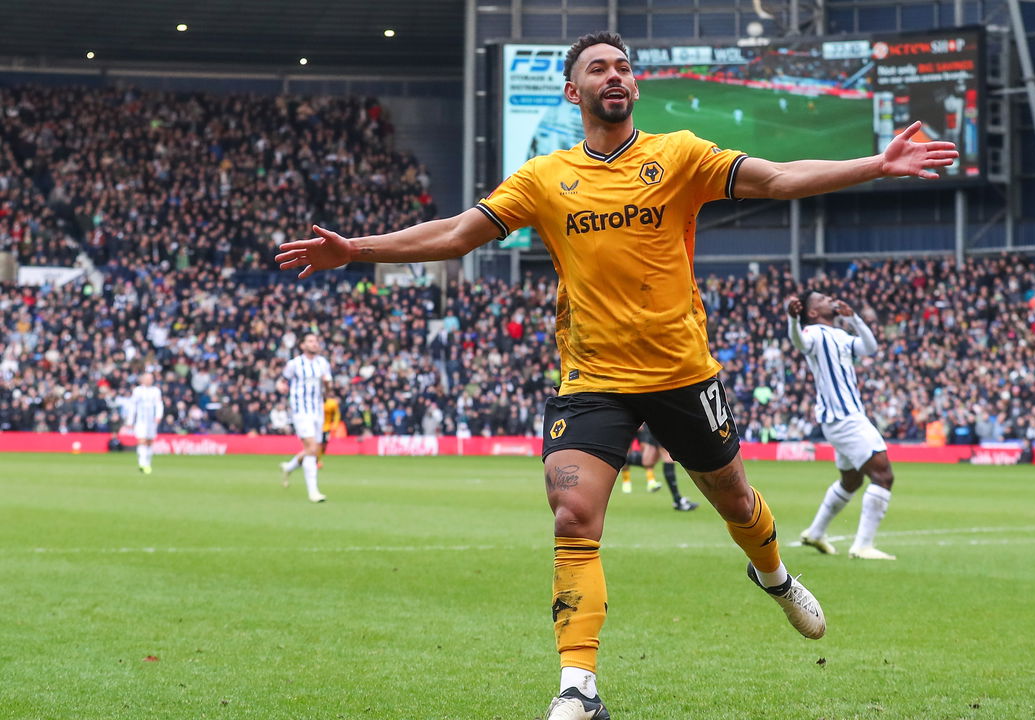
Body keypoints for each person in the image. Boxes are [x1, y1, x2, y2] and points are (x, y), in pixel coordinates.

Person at [275, 31, 955, 720]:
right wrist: (355, 250)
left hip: (683, 373)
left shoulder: (679, 155)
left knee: (736, 503)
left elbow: (777, 179)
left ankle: (775, 576)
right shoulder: (543, 178)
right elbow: (457, 234)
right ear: (574, 91)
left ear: (635, 87)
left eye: (624, 67)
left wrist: (876, 164)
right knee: (572, 514)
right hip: (592, 379)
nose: (615, 76)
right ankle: (579, 687)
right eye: (599, 68)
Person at [788, 292, 897, 561]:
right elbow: (799, 342)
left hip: (842, 419)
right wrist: (792, 320)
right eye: (823, 299)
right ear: (813, 312)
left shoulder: (839, 335)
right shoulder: (813, 332)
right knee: (883, 476)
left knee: (852, 480)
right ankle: (863, 545)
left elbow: (870, 348)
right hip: (845, 417)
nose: (830, 299)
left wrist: (855, 319)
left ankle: (815, 532)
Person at [278, 333, 331, 503]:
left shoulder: (323, 363)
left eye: (316, 341)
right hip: (301, 410)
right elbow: (282, 381)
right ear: (302, 345)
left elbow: (328, 390)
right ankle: (313, 492)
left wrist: (327, 384)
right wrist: (281, 388)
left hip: (318, 410)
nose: (314, 344)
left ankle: (289, 466)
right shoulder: (294, 364)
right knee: (311, 448)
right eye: (310, 341)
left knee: (314, 449)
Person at [619, 423, 700, 511]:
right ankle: (678, 501)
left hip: (653, 425)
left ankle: (619, 457)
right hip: (661, 425)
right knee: (667, 458)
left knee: (648, 461)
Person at [124, 372, 164, 474]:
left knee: (149, 442)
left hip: (151, 421)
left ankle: (148, 463)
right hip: (141, 420)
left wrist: (158, 416)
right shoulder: (137, 391)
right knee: (141, 440)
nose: (149, 380)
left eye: (151, 378)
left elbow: (159, 404)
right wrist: (130, 420)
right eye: (147, 378)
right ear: (142, 380)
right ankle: (142, 463)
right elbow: (132, 405)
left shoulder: (156, 391)